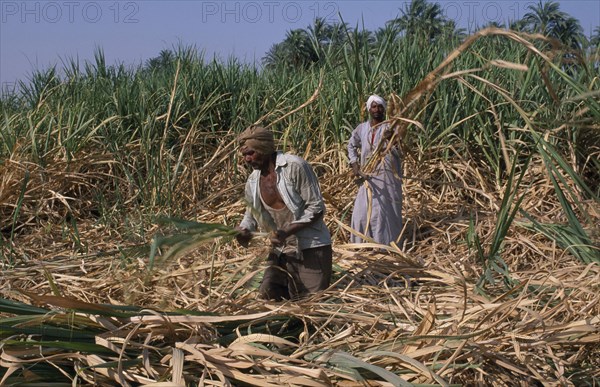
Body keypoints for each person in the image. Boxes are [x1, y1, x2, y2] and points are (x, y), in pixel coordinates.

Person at [235, 126, 332, 301]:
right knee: (268, 297)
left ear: (263, 148)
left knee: (312, 303)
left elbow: (316, 208)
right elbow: (250, 216)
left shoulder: (294, 167)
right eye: (244, 155)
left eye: (251, 153)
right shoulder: (252, 181)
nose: (247, 159)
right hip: (280, 250)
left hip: (310, 247)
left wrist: (286, 231)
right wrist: (243, 230)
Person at [347, 94, 403, 246]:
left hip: (387, 175)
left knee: (385, 211)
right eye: (373, 106)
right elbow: (351, 145)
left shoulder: (391, 127)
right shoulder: (362, 128)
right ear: (369, 109)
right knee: (361, 211)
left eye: (380, 107)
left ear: (384, 109)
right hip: (367, 175)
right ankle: (363, 243)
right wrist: (354, 164)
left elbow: (401, 152)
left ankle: (386, 245)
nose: (377, 110)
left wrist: (392, 140)